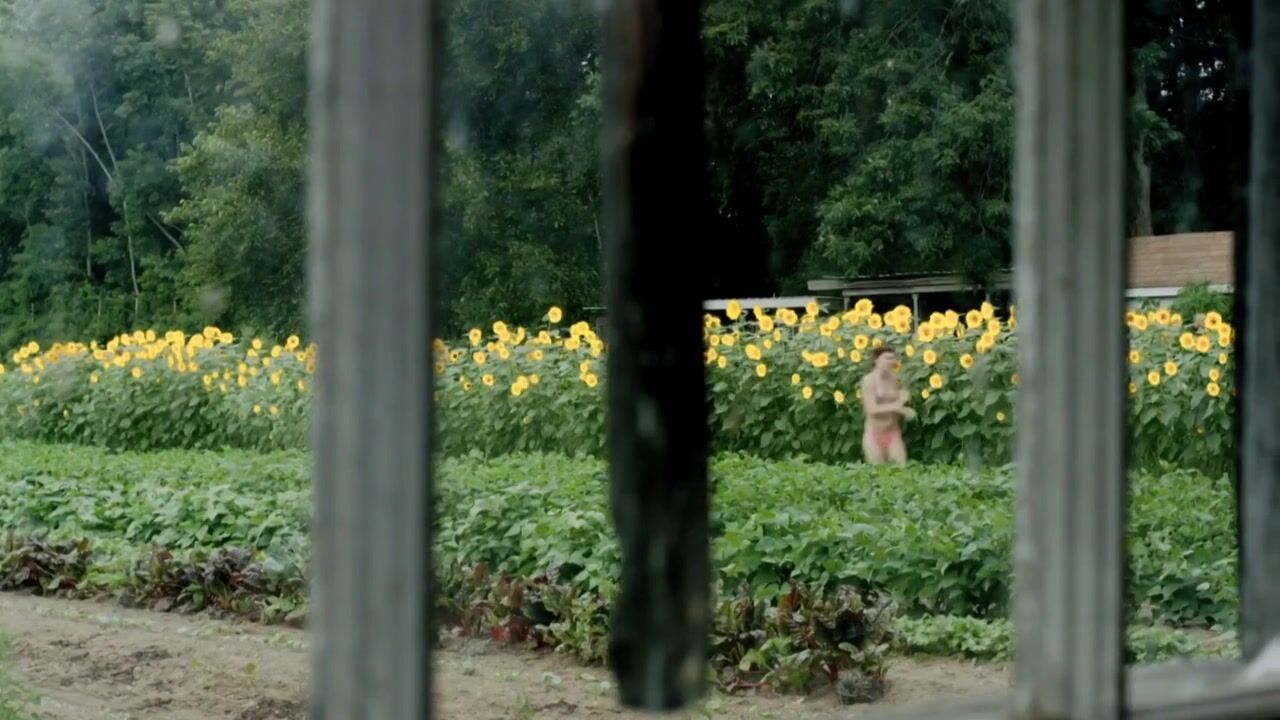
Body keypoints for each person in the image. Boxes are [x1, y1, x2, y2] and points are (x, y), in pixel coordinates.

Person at [861, 346, 914, 464]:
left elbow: (900, 400)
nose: (892, 361)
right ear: (876, 360)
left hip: (893, 433)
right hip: (874, 435)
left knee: (902, 470)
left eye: (893, 358)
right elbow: (870, 409)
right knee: (879, 472)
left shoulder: (894, 379)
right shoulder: (869, 380)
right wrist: (896, 406)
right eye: (887, 358)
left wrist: (904, 398)